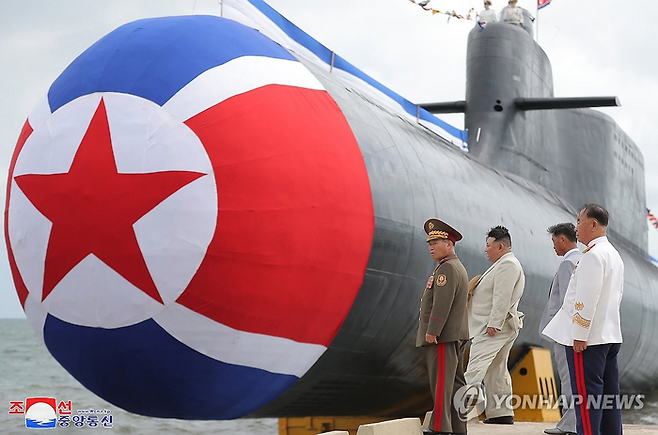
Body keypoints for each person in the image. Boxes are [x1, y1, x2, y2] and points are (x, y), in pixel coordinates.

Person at [542, 204, 624, 435]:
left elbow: (586, 299)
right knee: (609, 397)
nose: (576, 227)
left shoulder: (593, 256)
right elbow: (615, 297)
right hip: (609, 335)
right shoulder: (613, 255)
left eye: (579, 221)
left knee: (586, 398)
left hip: (588, 340)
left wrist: (579, 335)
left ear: (593, 224)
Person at [465, 225, 524, 424]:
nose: (485, 249)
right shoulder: (504, 263)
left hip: (492, 328)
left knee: (475, 367)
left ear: (500, 246)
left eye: (488, 245)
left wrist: (494, 323)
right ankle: (501, 413)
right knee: (497, 370)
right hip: (501, 325)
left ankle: (457, 412)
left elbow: (502, 296)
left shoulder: (507, 265)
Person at [416, 218, 469, 435]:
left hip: (443, 336)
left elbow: (441, 304)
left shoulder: (446, 269)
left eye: (436, 242)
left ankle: (439, 428)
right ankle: (458, 427)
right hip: (453, 334)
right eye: (429, 243)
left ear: (449, 244)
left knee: (441, 383)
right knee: (455, 384)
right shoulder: (454, 266)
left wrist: (432, 331)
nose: (431, 246)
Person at [539, 223, 581, 435]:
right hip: (574, 332)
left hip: (564, 333)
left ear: (563, 239)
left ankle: (568, 425)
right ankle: (575, 423)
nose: (554, 246)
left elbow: (567, 302)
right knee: (575, 378)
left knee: (567, 378)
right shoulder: (581, 259)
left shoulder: (568, 264)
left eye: (554, 241)